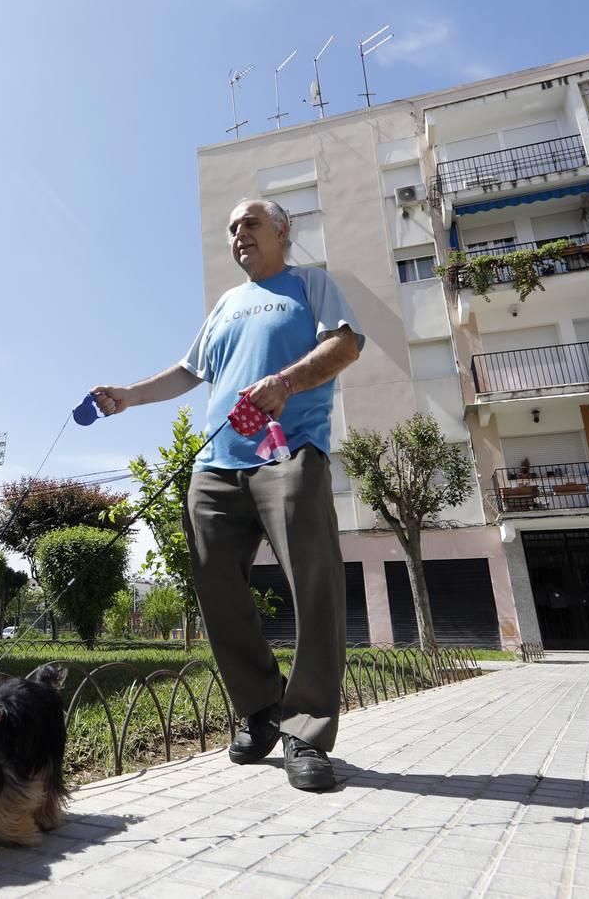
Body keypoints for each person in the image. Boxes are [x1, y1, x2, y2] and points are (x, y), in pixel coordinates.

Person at [91, 199, 365, 790]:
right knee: (216, 589)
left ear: (282, 231)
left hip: (289, 454)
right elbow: (189, 371)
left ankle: (309, 730)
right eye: (232, 226)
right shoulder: (224, 305)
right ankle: (262, 708)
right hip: (215, 467)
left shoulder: (310, 284)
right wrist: (128, 395)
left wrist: (287, 381)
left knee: (313, 587)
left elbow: (347, 346)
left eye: (250, 223)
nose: (238, 233)